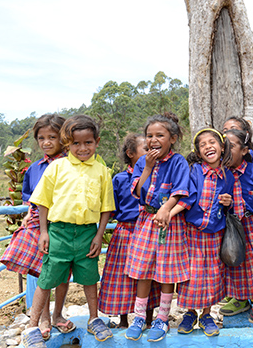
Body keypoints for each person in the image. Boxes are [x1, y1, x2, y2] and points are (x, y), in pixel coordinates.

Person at [22, 114, 115, 348]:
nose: (82, 148)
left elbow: (106, 208)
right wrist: (44, 232)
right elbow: (42, 201)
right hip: (58, 232)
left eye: (88, 142)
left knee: (89, 276)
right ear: (67, 144)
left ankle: (94, 319)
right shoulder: (56, 167)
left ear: (97, 141)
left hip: (87, 233)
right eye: (75, 143)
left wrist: (98, 235)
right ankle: (33, 326)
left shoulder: (102, 171)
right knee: (47, 277)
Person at [1, 114, 72, 339]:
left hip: (65, 225)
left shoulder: (74, 165)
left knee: (62, 272)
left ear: (64, 138)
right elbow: (28, 198)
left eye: (52, 137)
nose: (46, 142)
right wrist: (27, 215)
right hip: (40, 225)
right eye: (41, 138)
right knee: (42, 270)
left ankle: (58, 313)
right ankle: (43, 317)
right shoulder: (33, 169)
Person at [124, 114, 190, 342]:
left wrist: (166, 209)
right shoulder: (143, 162)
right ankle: (140, 317)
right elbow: (137, 192)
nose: (153, 139)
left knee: (166, 272)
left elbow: (180, 190)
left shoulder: (178, 161)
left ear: (171, 139)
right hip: (146, 221)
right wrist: (148, 168)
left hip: (170, 224)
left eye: (159, 135)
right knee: (142, 270)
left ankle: (162, 318)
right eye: (149, 135)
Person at [170, 128, 234, 337]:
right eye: (203, 145)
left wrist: (228, 203)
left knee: (213, 273)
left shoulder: (228, 176)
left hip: (216, 232)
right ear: (198, 153)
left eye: (212, 142)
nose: (208, 146)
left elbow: (229, 204)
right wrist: (168, 214)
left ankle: (207, 314)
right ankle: (190, 313)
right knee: (192, 274)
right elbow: (187, 197)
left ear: (222, 147)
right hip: (193, 232)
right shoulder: (194, 171)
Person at [98, 134, 159, 330]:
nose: (151, 153)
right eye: (145, 149)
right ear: (130, 154)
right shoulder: (120, 179)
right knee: (122, 276)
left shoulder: (158, 175)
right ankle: (124, 320)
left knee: (148, 274)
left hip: (149, 229)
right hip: (126, 231)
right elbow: (112, 208)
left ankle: (148, 319)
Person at [220, 129, 253, 325]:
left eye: (232, 146)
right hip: (230, 225)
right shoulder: (220, 173)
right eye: (224, 147)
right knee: (234, 262)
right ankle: (240, 299)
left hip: (252, 224)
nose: (226, 151)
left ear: (245, 150)